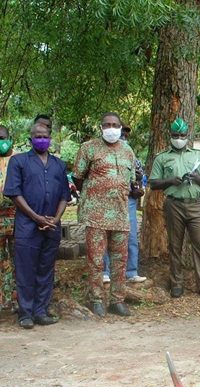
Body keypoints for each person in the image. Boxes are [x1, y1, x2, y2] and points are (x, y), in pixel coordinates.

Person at [3, 122, 71, 328]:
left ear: (50, 138)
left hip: (51, 226)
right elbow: (14, 193)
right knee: (25, 269)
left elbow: (64, 196)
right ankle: (25, 313)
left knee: (46, 269)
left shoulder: (59, 165)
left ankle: (41, 311)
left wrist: (56, 219)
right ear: (30, 138)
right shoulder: (19, 162)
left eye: (45, 136)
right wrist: (36, 217)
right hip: (27, 225)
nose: (41, 139)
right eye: (37, 136)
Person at [73, 112, 137, 317]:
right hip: (96, 214)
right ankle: (96, 299)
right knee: (96, 259)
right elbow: (78, 178)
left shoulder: (128, 151)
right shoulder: (88, 148)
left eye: (115, 125)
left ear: (120, 127)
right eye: (107, 125)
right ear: (101, 128)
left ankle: (117, 301)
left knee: (120, 259)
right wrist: (97, 192)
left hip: (120, 214)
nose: (111, 128)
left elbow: (132, 180)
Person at [149, 117, 200, 300]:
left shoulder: (197, 155)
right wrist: (170, 181)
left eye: (182, 135)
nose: (178, 138)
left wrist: (196, 177)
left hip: (195, 205)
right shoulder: (162, 157)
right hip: (174, 204)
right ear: (170, 135)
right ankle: (176, 284)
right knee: (175, 246)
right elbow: (154, 183)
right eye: (175, 135)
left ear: (187, 135)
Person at [102, 124, 147, 285]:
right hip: (108, 200)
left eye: (126, 136)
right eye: (122, 135)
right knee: (107, 235)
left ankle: (131, 272)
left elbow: (139, 182)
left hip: (129, 201)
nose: (124, 139)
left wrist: (138, 189)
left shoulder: (133, 157)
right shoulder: (104, 155)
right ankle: (105, 272)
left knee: (131, 236)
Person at [0, 125, 18, 311]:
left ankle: (18, 298)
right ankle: (3, 300)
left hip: (17, 217)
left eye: (2, 137)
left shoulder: (20, 159)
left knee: (18, 258)